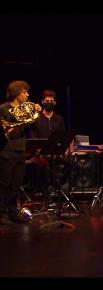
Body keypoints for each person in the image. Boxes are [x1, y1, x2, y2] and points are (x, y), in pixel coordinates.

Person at [0, 80, 41, 224]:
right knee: (4, 184)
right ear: (17, 93)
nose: (27, 95)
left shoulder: (26, 108)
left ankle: (12, 213)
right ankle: (1, 213)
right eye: (25, 92)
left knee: (16, 184)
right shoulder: (3, 108)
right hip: (6, 150)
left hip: (21, 149)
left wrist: (36, 113)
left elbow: (34, 127)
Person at [27, 89, 66, 198]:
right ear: (43, 102)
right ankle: (46, 195)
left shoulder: (59, 119)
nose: (49, 102)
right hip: (40, 154)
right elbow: (33, 138)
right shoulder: (36, 117)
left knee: (70, 163)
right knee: (44, 165)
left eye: (51, 101)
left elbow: (63, 137)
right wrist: (38, 153)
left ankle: (57, 187)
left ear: (55, 103)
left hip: (55, 152)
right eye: (47, 100)